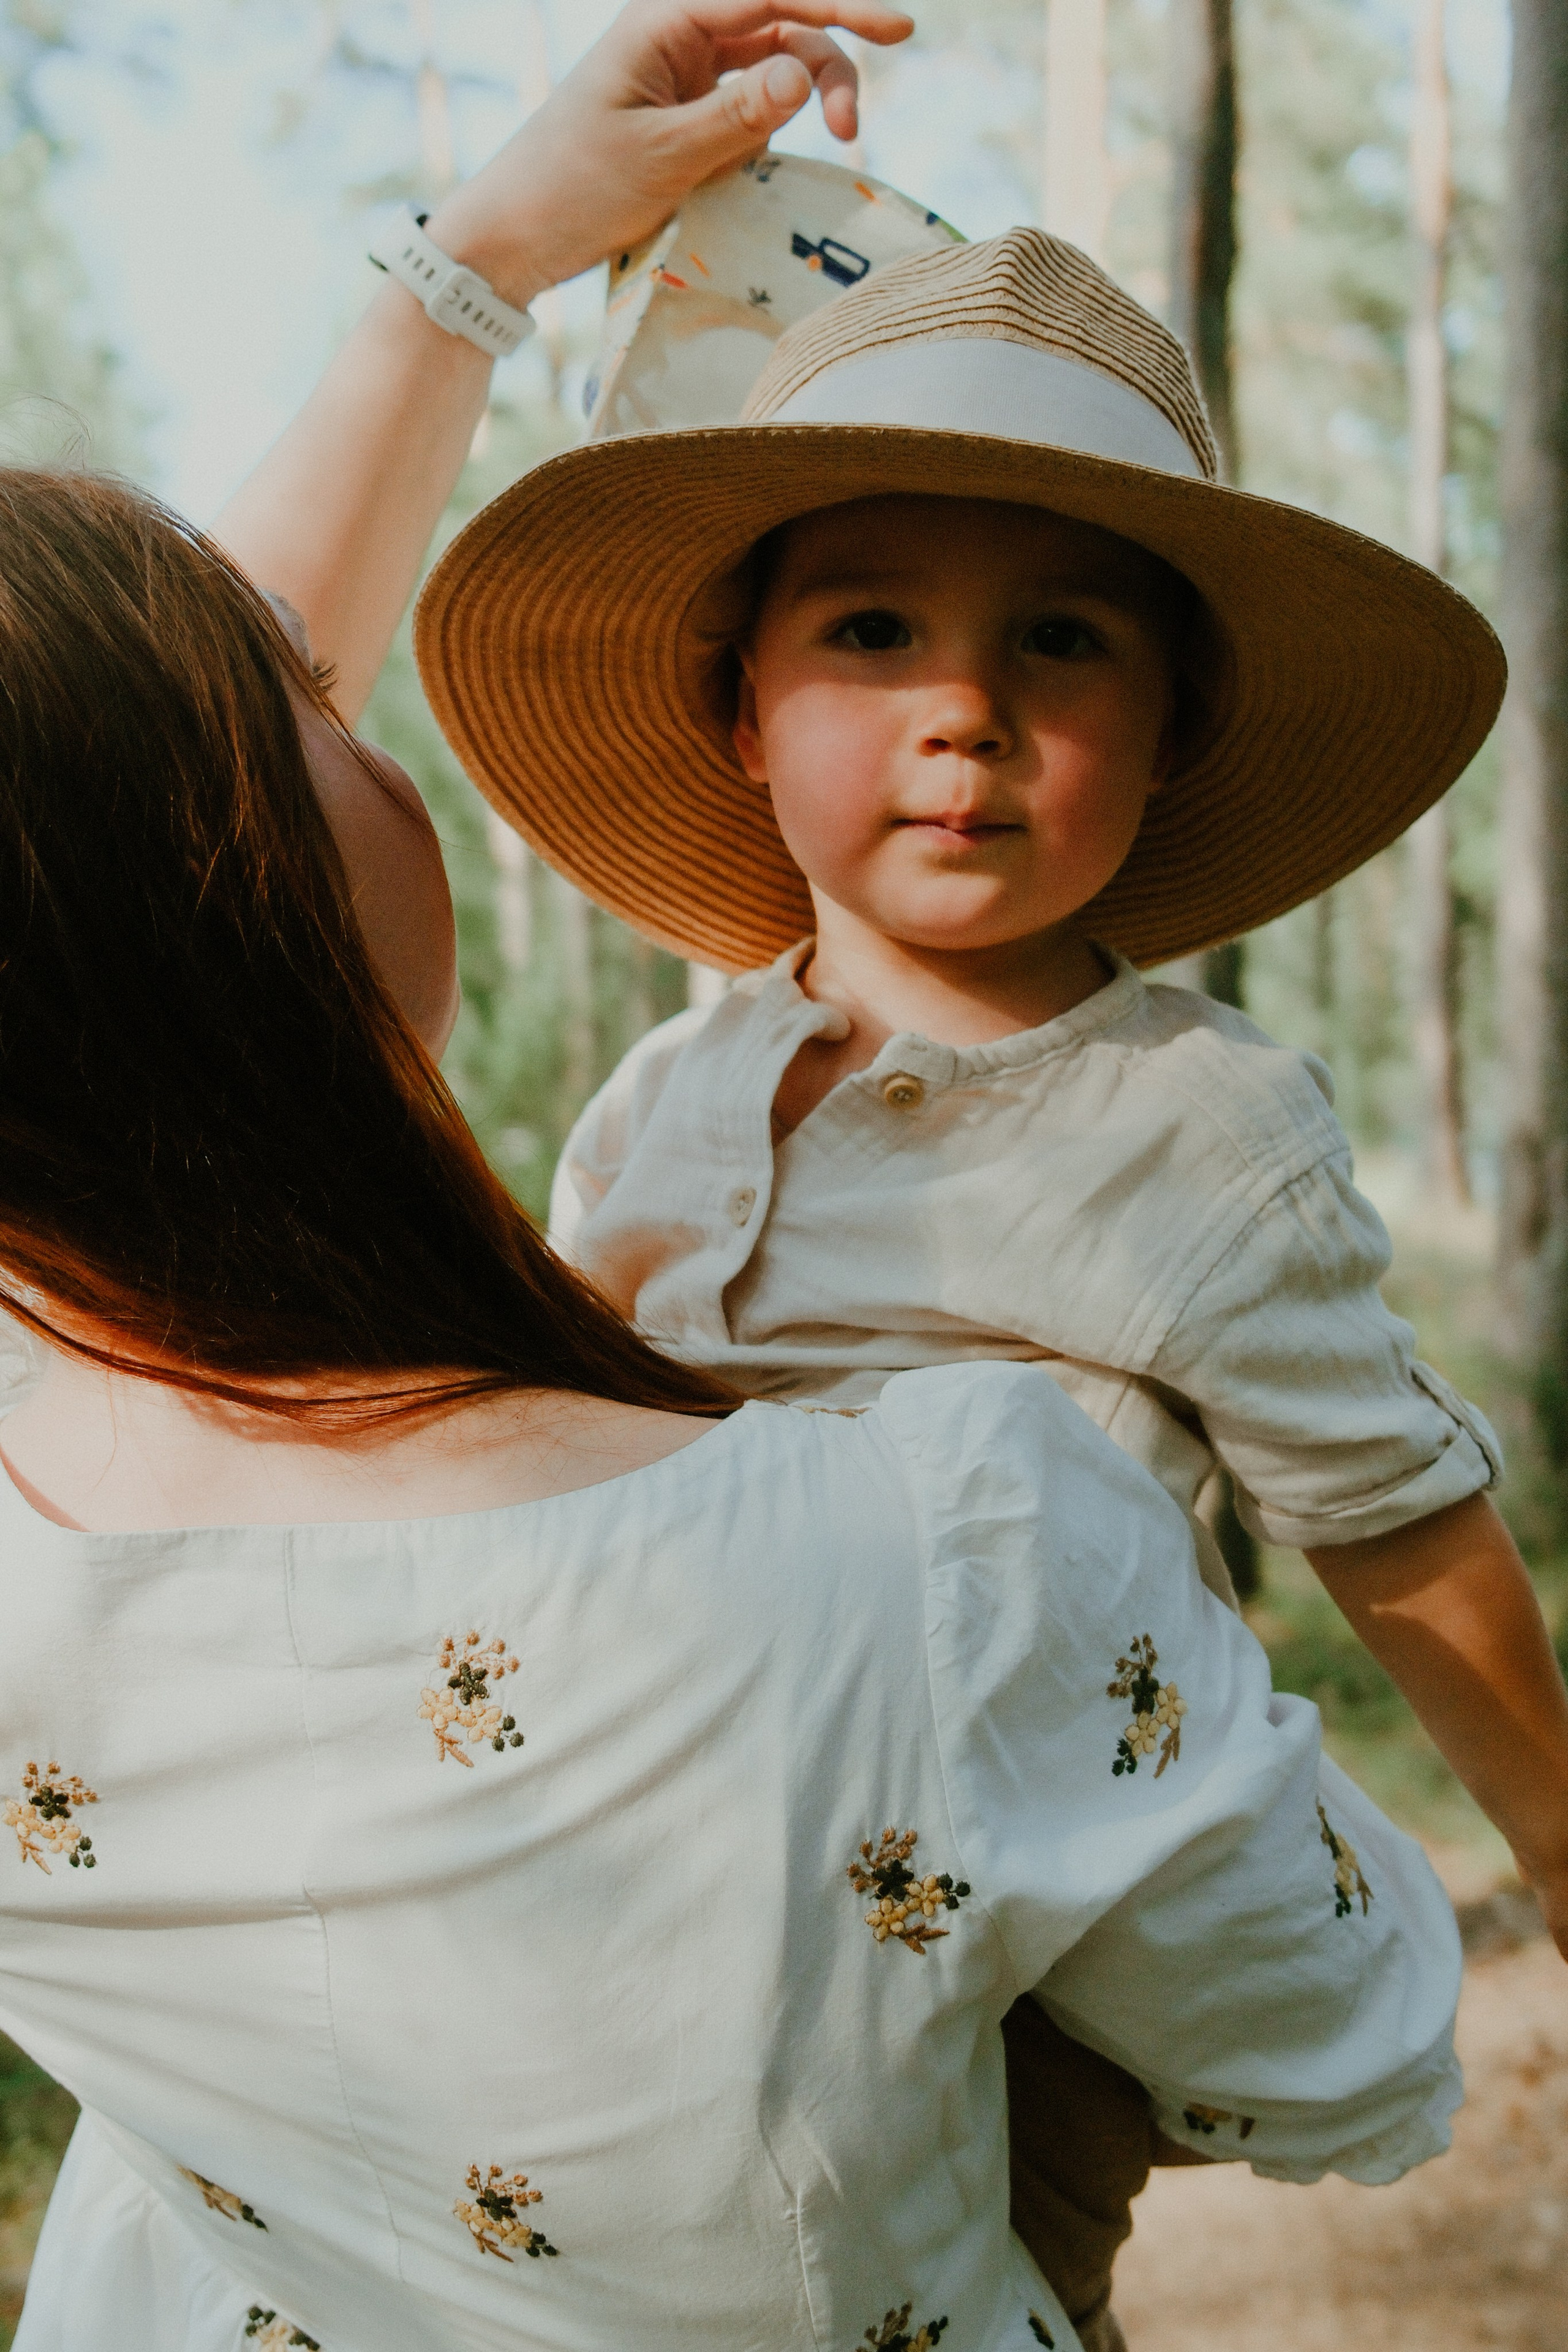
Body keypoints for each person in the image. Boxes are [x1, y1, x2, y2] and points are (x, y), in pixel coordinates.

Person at [0, 9, 1474, 2351]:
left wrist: (485, 254)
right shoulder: (968, 1552)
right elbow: (1354, 2050)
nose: (337, 684)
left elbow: (83, 812)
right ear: (233, 889)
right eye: (314, 703)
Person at [405, 115, 1568, 2352]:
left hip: (1006, 1950)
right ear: (743, 714)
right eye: (874, 630)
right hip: (660, 1899)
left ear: (1174, 725)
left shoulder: (1197, 1125)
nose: (970, 709)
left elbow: (1399, 1519)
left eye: (1062, 639)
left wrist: (1557, 1844)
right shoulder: (664, 1100)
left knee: (955, 2296)